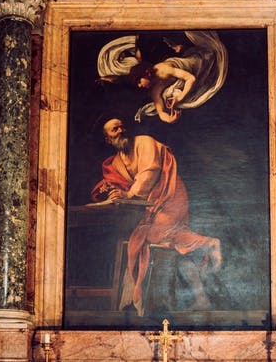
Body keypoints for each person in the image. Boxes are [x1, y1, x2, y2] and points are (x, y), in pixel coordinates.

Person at [91, 118, 221, 314]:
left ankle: (209, 243)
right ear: (107, 139)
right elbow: (120, 184)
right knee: (170, 245)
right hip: (153, 203)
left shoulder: (144, 142)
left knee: (149, 236)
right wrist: (113, 192)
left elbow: (149, 175)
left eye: (122, 126)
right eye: (114, 129)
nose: (121, 130)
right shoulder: (116, 163)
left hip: (171, 194)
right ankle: (201, 298)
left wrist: (128, 194)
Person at [97, 31, 228, 123]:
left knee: (211, 57)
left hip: (195, 63)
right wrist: (167, 118)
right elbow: (160, 110)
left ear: (146, 73)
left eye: (138, 81)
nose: (139, 86)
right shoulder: (154, 89)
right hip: (189, 72)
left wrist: (180, 97)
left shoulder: (163, 70)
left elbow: (191, 78)